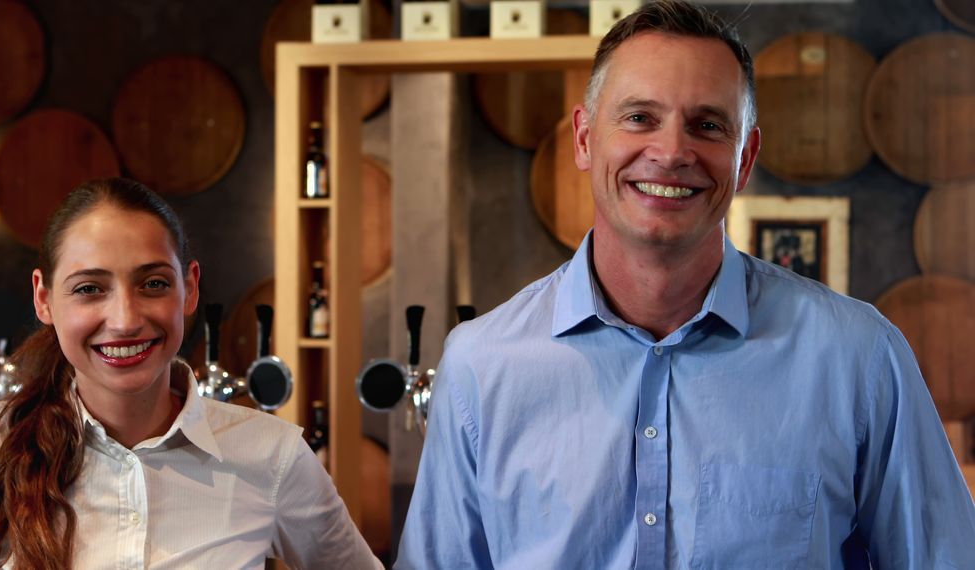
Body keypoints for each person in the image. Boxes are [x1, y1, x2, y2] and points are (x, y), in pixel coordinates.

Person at [396, 1, 975, 568]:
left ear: (745, 159)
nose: (672, 152)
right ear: (583, 138)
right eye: (639, 117)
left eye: (707, 125)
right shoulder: (481, 365)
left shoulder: (859, 357)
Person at [0, 178, 380, 569]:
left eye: (152, 283)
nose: (126, 318)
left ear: (189, 289)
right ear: (43, 298)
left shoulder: (272, 457)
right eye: (89, 288)